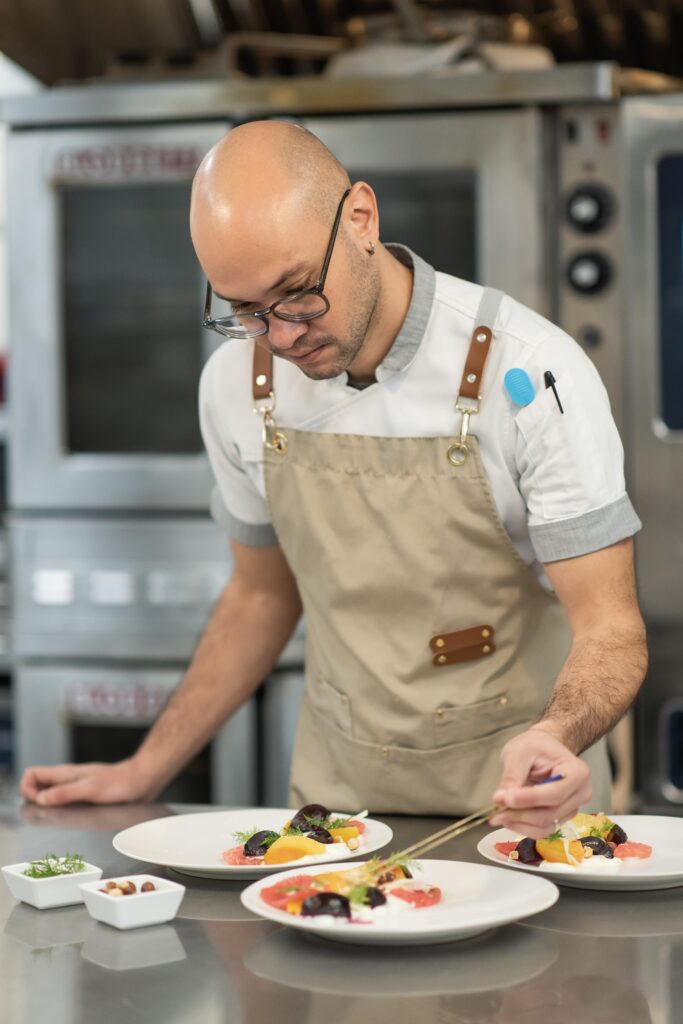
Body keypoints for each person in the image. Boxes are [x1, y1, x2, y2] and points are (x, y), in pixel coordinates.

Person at [19, 121, 647, 838]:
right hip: (331, 815)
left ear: (360, 219)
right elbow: (259, 596)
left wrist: (557, 736)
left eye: (295, 293)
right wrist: (143, 769)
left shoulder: (530, 371)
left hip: (523, 807)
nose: (281, 336)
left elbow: (610, 627)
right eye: (245, 312)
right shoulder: (234, 385)